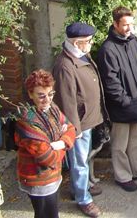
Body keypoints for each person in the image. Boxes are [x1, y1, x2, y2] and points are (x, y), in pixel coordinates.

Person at [96, 6, 137, 192]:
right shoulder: (108, 49)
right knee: (120, 144)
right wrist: (125, 101)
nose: (129, 28)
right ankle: (123, 176)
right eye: (125, 25)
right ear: (115, 24)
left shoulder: (133, 41)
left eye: (131, 23)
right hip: (121, 106)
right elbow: (111, 82)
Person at [52, 22, 105, 217]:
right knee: (79, 161)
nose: (91, 44)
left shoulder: (80, 55)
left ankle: (79, 188)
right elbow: (67, 101)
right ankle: (83, 199)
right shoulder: (65, 66)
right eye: (88, 41)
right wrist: (75, 129)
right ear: (77, 43)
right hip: (79, 124)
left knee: (82, 159)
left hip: (88, 119)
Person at [15, 70, 77, 218]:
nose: (47, 100)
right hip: (38, 179)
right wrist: (65, 143)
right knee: (46, 215)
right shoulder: (27, 119)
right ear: (30, 94)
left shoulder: (52, 108)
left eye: (50, 94)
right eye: (41, 95)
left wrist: (59, 143)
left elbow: (71, 128)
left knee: (52, 213)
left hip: (53, 176)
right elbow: (47, 157)